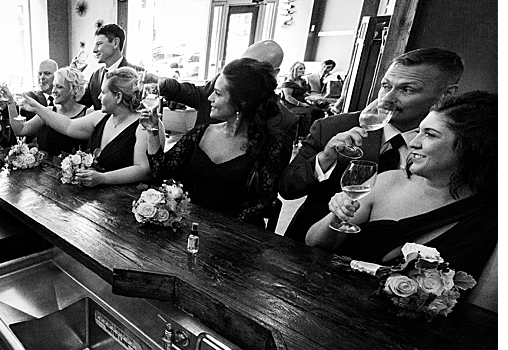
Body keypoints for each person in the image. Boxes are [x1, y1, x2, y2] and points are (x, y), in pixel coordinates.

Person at [280, 47, 464, 242]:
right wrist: (325, 158)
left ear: (446, 95)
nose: (387, 99)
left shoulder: (451, 147)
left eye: (407, 89)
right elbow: (288, 188)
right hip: (310, 249)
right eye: (386, 86)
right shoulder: (333, 128)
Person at [306, 92, 496, 280]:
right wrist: (337, 215)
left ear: (471, 146)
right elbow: (314, 243)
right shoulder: (386, 181)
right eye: (417, 132)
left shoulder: (490, 217)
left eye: (429, 135)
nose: (413, 143)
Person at [146, 58, 293, 227]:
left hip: (238, 237)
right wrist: (152, 131)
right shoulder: (200, 134)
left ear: (241, 102)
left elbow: (260, 204)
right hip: (193, 228)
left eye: (218, 93)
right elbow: (160, 169)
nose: (209, 98)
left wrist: (217, 233)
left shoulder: (273, 145)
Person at [21, 66, 150, 186]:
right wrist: (37, 108)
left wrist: (103, 178)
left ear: (118, 97)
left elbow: (142, 169)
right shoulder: (100, 116)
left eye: (103, 93)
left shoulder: (144, 124)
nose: (99, 97)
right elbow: (67, 125)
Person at [142, 39, 286, 128]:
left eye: (250, 67)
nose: (240, 70)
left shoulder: (282, 121)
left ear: (274, 72)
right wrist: (161, 83)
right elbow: (194, 94)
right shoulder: (222, 81)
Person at [9, 66, 90, 157]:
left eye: (59, 87)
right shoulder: (49, 111)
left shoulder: (88, 114)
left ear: (74, 89)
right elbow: (20, 130)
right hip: (50, 169)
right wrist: (10, 102)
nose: (53, 91)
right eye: (54, 86)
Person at [77, 24, 143, 110]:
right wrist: (75, 75)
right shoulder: (95, 76)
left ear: (115, 43)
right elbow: (80, 106)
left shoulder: (139, 75)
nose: (94, 50)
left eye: (99, 44)